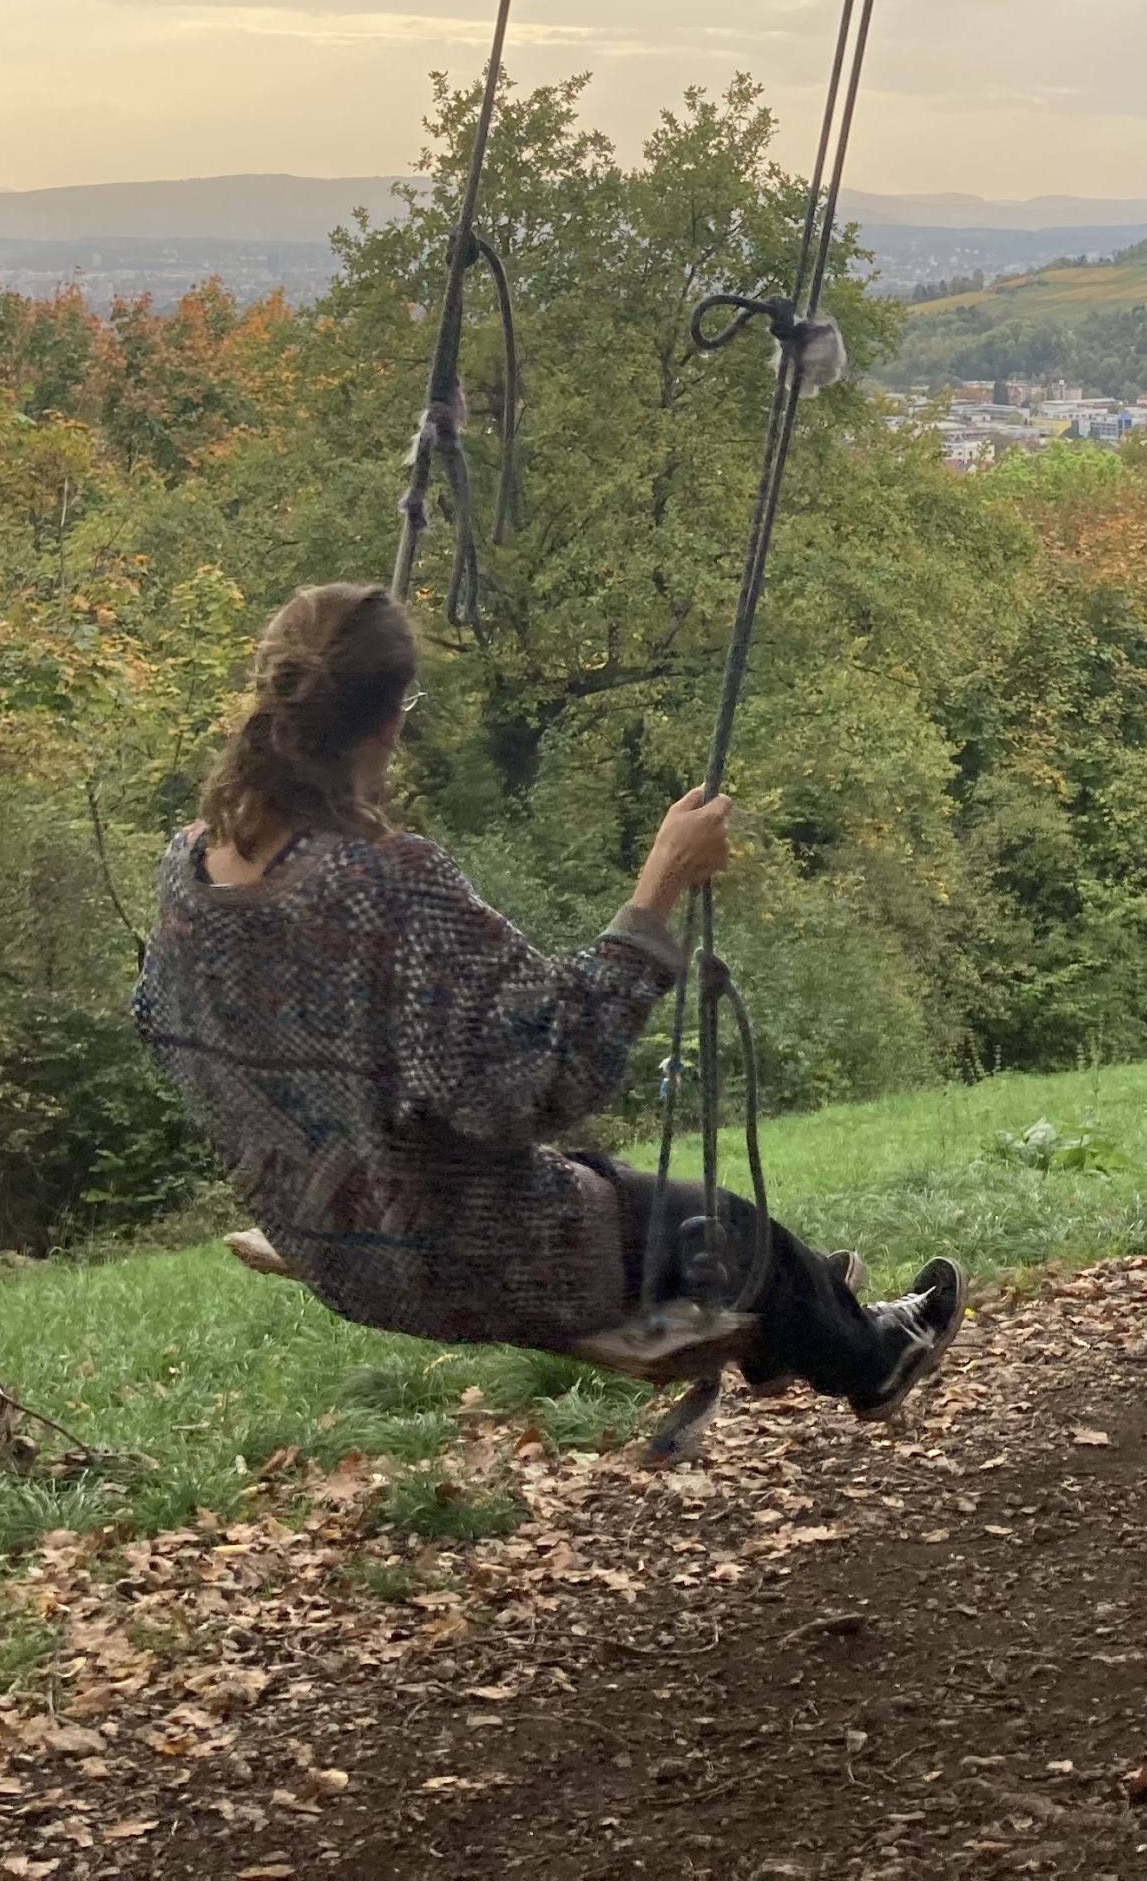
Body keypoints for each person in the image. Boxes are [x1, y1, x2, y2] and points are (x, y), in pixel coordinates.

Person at [132, 581, 962, 1426]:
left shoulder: (187, 866)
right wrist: (658, 887)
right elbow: (550, 1076)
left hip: (333, 1244)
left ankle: (801, 1303)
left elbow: (168, 1031)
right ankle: (877, 1355)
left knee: (634, 1191)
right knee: (728, 1229)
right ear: (390, 722)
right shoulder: (388, 881)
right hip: (459, 1254)